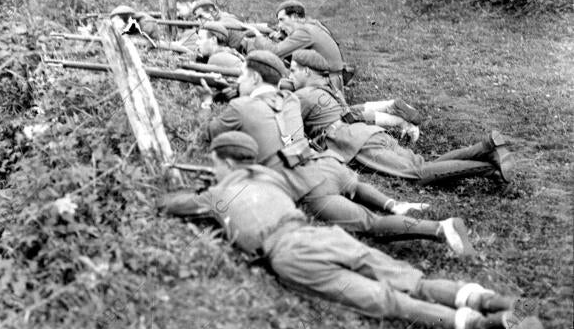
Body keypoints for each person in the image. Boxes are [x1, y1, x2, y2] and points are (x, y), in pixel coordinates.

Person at [160, 131, 544, 329]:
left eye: (214, 162)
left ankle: (478, 326)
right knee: (408, 279)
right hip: (319, 234)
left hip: (288, 253)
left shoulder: (215, 194)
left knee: (381, 299)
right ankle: (498, 302)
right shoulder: (269, 177)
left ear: (225, 163)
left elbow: (169, 204)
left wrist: (206, 189)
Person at [201, 50, 475, 256]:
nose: (239, 81)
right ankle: (394, 203)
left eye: (241, 77)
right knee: (355, 185)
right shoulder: (291, 100)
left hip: (301, 183)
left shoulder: (241, 108)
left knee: (368, 224)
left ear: (254, 78)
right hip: (327, 164)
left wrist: (210, 101)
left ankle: (440, 228)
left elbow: (212, 133)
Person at [288, 49, 515, 185]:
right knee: (423, 164)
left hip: (356, 143)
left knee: (417, 175)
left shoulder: (303, 96)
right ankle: (486, 146)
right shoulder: (331, 88)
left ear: (307, 72)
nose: (291, 75)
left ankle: (490, 168)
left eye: (293, 70)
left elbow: (288, 134)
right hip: (370, 134)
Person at [242, 0, 347, 105]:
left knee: (270, 82)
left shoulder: (304, 32)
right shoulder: (311, 26)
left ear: (295, 16)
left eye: (282, 20)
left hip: (325, 82)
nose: (279, 25)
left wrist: (258, 36)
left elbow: (275, 52)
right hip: (329, 78)